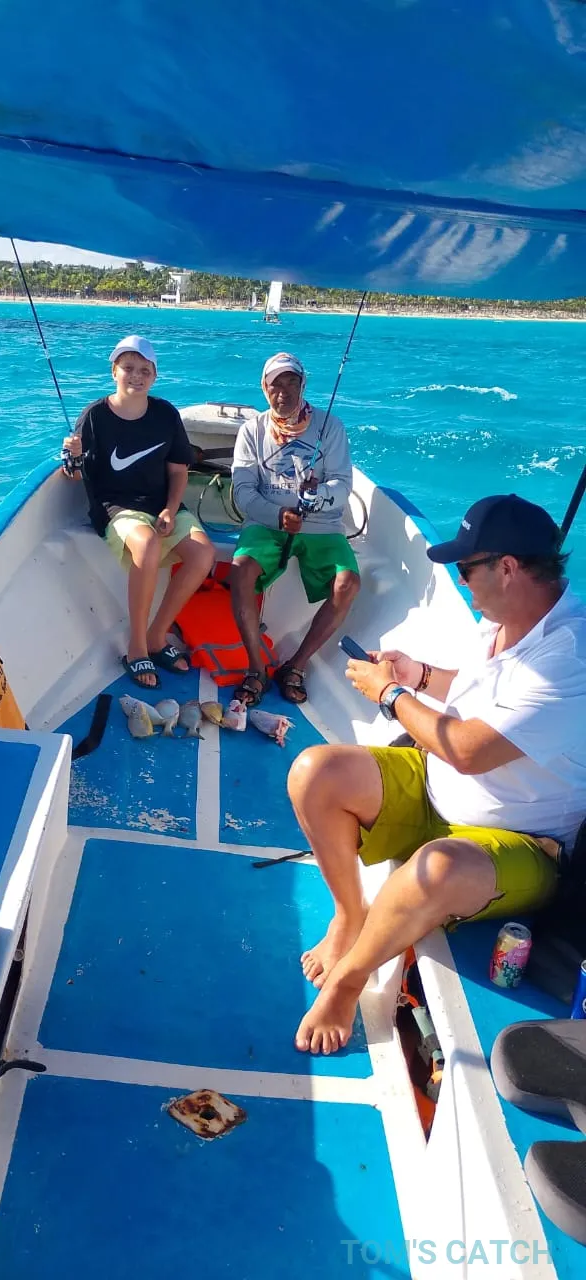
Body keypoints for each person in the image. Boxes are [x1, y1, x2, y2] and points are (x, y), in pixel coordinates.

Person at [286, 493, 586, 1055]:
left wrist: (389, 695)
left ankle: (349, 981)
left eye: (466, 569)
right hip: (436, 788)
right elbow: (483, 695)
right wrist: (418, 676)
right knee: (314, 772)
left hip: (522, 843)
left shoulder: (570, 657)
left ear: (507, 568)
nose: (461, 581)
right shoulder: (506, 619)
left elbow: (468, 750)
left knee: (435, 868)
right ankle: (350, 915)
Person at [62, 335, 214, 689]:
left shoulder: (165, 413)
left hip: (161, 505)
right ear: (114, 371)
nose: (136, 375)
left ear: (155, 376)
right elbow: (74, 475)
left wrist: (170, 510)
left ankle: (157, 637)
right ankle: (137, 648)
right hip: (115, 508)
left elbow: (179, 471)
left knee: (203, 553)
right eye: (128, 368)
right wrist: (72, 456)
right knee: (147, 544)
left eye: (145, 370)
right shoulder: (94, 415)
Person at [230, 352, 360, 706]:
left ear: (303, 385)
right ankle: (257, 668)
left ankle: (296, 665)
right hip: (267, 522)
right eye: (276, 384)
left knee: (348, 583)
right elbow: (243, 491)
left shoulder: (331, 426)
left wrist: (317, 498)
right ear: (264, 388)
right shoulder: (252, 431)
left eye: (292, 383)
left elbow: (342, 484)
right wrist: (278, 515)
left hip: (322, 525)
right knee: (240, 570)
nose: (283, 392)